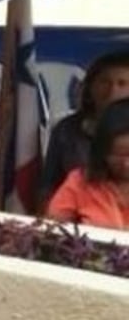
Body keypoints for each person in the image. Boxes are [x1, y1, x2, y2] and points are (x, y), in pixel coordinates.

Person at [38, 50, 129, 210]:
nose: (112, 91)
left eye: (122, 83)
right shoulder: (66, 130)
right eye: (104, 82)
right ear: (90, 87)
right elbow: (48, 187)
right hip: (76, 222)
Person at [44, 97, 129, 230]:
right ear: (102, 151)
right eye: (117, 155)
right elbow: (52, 228)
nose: (126, 164)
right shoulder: (80, 182)